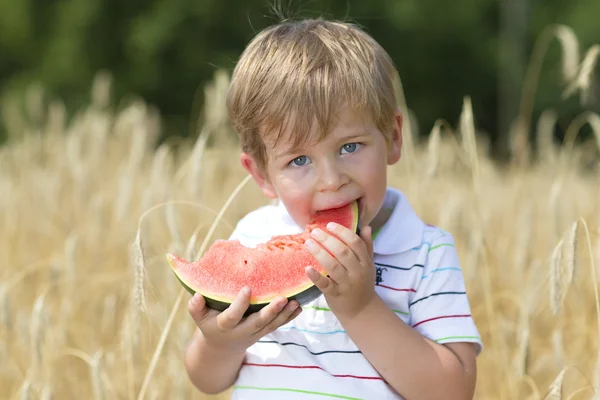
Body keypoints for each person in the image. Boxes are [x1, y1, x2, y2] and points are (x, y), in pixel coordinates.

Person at [184, 17, 483, 400]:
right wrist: (221, 343)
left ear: (393, 138)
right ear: (260, 174)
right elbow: (206, 380)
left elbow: (453, 392)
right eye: (299, 161)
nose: (331, 180)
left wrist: (360, 309)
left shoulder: (427, 253)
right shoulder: (252, 234)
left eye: (349, 147)